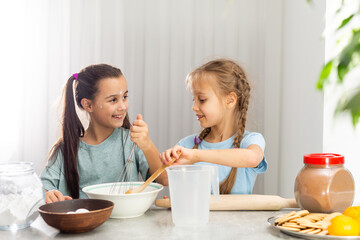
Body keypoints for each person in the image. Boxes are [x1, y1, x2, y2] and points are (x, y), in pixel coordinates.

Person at [41, 64, 166, 203]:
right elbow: (42, 189)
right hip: (84, 222)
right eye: (113, 100)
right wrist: (48, 194)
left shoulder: (132, 141)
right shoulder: (66, 149)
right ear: (88, 105)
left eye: (124, 97)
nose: (123, 106)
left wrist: (147, 144)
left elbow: (163, 179)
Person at [160, 59, 267, 194]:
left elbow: (252, 158)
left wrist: (196, 156)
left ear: (230, 100)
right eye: (194, 99)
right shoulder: (187, 145)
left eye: (202, 100)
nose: (194, 107)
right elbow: (164, 179)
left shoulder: (250, 140)